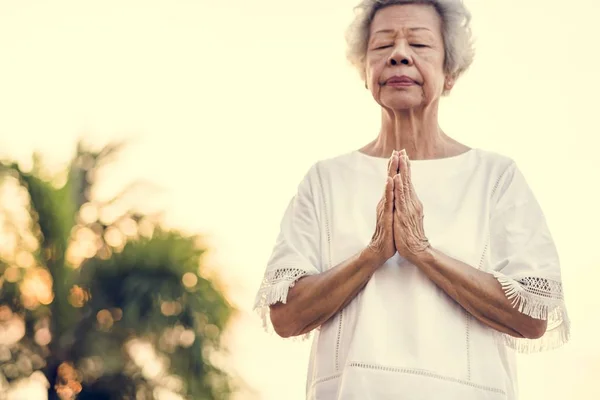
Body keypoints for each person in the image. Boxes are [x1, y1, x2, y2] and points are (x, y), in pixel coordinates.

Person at [253, 1, 570, 399]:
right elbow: (285, 316)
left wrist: (422, 251)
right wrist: (373, 253)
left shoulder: (495, 177)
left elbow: (533, 314)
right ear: (365, 72)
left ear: (450, 73)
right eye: (382, 45)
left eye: (419, 44)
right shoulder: (325, 180)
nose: (399, 54)